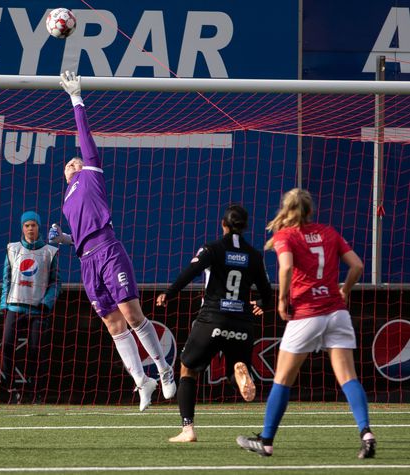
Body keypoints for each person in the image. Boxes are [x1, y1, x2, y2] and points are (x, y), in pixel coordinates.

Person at [48, 71, 176, 411]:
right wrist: (64, 238)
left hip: (107, 250)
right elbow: (79, 233)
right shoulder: (67, 200)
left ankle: (163, 369)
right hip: (86, 260)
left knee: (133, 315)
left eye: (75, 160)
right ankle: (141, 381)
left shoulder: (91, 173)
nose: (72, 162)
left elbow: (85, 138)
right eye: (67, 164)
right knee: (111, 322)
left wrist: (76, 99)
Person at [236, 188, 375, 459]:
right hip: (336, 312)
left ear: (286, 210)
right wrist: (345, 290)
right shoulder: (329, 232)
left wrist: (281, 300)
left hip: (307, 314)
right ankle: (366, 433)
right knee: (348, 378)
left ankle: (266, 441)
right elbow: (357, 265)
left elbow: (286, 267)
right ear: (310, 210)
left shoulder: (285, 235)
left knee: (283, 379)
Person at [157, 204, 273, 442]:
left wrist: (169, 293)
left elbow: (191, 271)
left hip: (212, 318)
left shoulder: (212, 248)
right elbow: (267, 293)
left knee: (188, 368)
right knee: (233, 369)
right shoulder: (254, 255)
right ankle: (240, 372)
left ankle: (188, 429)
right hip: (242, 323)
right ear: (245, 227)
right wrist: (261, 302)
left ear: (223, 224)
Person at [0, 211, 61, 404]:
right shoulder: (12, 249)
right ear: (22, 227)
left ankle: (37, 392)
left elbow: (56, 282)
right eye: (26, 225)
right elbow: (6, 279)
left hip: (38, 310)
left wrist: (47, 302)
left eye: (33, 225)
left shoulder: (50, 252)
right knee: (7, 348)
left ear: (39, 227)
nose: (30, 228)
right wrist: (4, 304)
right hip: (14, 307)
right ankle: (9, 391)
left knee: (37, 352)